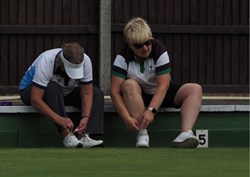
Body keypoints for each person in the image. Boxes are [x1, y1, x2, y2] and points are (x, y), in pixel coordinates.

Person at [110, 17, 202, 148]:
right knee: (128, 84)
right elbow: (114, 92)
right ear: (130, 45)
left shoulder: (159, 49)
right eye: (139, 45)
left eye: (148, 42)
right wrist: (126, 118)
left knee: (195, 89)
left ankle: (185, 134)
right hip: (137, 97)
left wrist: (151, 111)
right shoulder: (122, 57)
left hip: (161, 93)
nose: (145, 48)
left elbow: (163, 85)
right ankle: (142, 134)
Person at [19, 42, 104, 148]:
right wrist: (58, 118)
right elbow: (36, 99)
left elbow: (87, 92)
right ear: (62, 62)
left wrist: (85, 117)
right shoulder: (46, 60)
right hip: (30, 91)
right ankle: (67, 136)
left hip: (65, 92)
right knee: (53, 88)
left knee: (97, 93)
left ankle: (84, 136)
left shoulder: (86, 60)